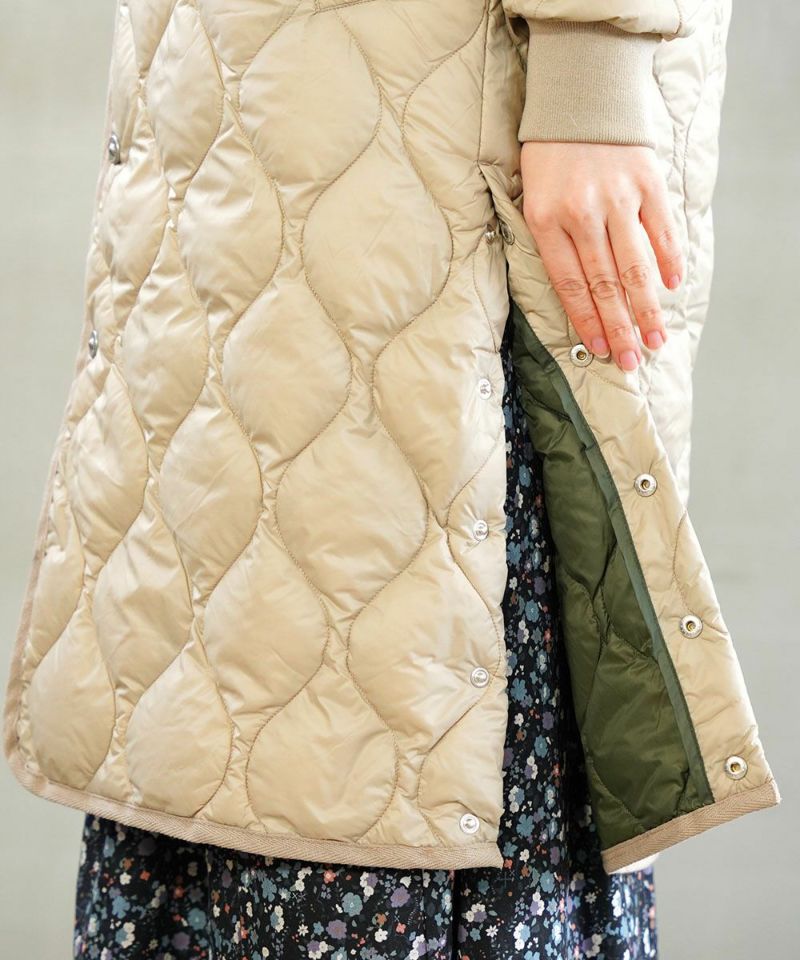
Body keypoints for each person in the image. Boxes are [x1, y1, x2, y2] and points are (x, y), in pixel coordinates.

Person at [3, 1, 779, 957]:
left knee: (392, 724)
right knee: (224, 727)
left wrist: (595, 63)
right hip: (229, 124)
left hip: (432, 133)